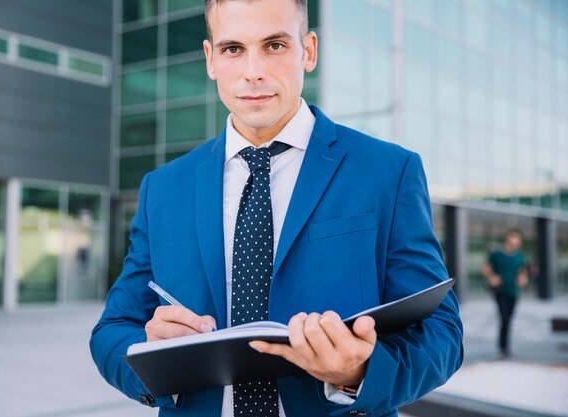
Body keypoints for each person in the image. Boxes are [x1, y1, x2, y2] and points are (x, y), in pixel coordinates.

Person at [90, 0, 463, 416]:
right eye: (233, 49)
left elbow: (441, 333)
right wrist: (150, 357)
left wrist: (359, 371)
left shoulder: (388, 172)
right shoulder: (162, 188)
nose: (253, 72)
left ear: (308, 51)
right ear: (211, 59)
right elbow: (113, 331)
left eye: (274, 45)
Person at [482, 229, 528, 358]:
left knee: (509, 319)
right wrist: (491, 277)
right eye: (514, 239)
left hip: (514, 291)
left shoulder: (519, 255)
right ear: (508, 239)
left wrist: (523, 278)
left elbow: (522, 270)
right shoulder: (496, 254)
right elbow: (485, 268)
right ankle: (503, 348)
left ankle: (505, 347)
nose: (516, 242)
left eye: (518, 240)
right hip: (500, 291)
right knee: (504, 318)